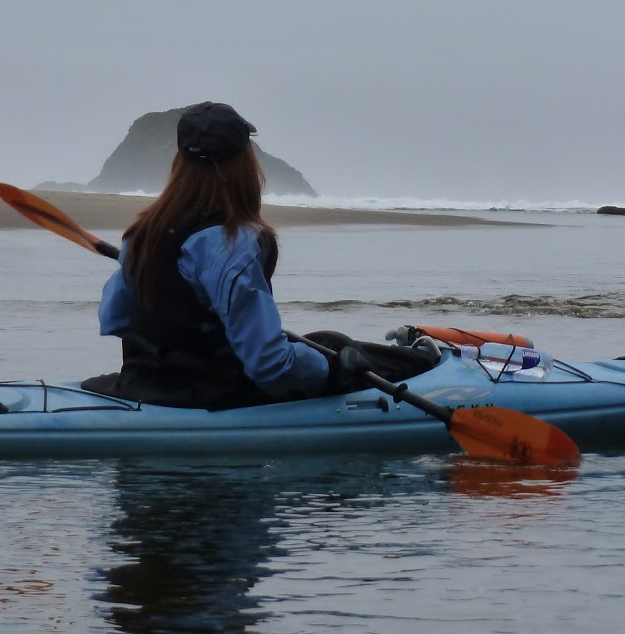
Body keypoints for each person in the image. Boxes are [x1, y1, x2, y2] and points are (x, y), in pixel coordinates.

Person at [84, 101, 435, 409]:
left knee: (323, 343)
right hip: (214, 396)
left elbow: (113, 319)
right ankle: (427, 366)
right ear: (242, 167)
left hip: (141, 385)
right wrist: (332, 368)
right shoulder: (232, 244)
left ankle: (410, 359)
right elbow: (269, 366)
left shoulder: (142, 235)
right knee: (336, 348)